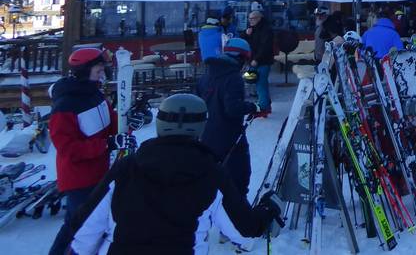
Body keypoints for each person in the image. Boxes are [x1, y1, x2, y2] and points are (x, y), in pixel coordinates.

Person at [67, 94, 283, 255]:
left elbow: (85, 229)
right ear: (201, 127)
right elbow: (243, 231)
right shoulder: (211, 173)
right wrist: (266, 212)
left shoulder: (126, 168)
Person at [48, 48, 129, 255]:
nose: (102, 72)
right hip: (79, 179)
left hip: (99, 173)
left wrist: (127, 125)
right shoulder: (65, 106)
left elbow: (110, 124)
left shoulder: (95, 94)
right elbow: (68, 149)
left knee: (92, 225)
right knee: (77, 226)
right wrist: (106, 145)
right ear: (84, 70)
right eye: (98, 68)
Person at [196, 37, 260, 196]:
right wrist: (253, 107)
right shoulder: (233, 77)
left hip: (206, 138)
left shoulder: (206, 75)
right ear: (241, 58)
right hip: (231, 140)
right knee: (239, 183)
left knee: (209, 184)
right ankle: (238, 209)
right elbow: (232, 108)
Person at [244, 10, 274, 116]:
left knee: (261, 84)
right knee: (254, 81)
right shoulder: (252, 29)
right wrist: (247, 34)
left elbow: (265, 46)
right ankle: (266, 103)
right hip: (253, 61)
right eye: (249, 19)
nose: (250, 21)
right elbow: (248, 43)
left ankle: (263, 108)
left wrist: (256, 59)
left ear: (259, 18)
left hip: (262, 61)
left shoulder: (266, 30)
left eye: (252, 18)